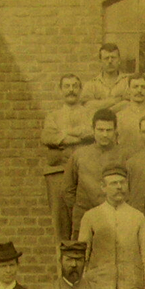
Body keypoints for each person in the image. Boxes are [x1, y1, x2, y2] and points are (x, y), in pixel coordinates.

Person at [78, 164, 145, 289]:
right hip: (99, 288)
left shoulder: (137, 216)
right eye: (113, 183)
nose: (119, 187)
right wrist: (84, 288)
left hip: (131, 288)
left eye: (122, 182)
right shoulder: (91, 216)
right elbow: (83, 256)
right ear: (103, 187)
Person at [41, 74, 96, 240]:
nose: (71, 90)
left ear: (80, 90)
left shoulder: (89, 114)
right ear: (60, 90)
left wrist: (64, 134)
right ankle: (61, 256)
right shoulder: (53, 116)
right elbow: (47, 137)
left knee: (85, 219)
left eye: (75, 86)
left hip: (83, 173)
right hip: (59, 172)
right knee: (60, 222)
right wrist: (78, 138)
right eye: (67, 86)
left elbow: (92, 132)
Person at [64, 108, 125, 239]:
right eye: (100, 130)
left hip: (115, 219)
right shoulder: (79, 155)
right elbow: (68, 189)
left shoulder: (124, 156)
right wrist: (79, 208)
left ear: (115, 131)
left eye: (109, 130)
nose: (104, 134)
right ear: (93, 130)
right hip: (83, 217)